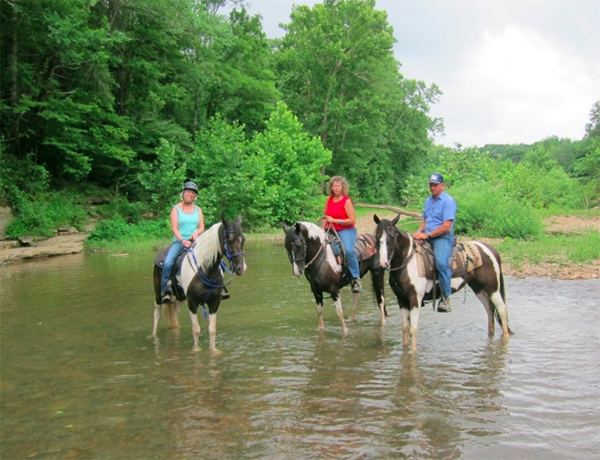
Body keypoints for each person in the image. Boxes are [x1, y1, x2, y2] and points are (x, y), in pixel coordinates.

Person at [413, 173, 457, 312]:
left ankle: (445, 297)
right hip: (427, 235)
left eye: (435, 185)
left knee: (440, 262)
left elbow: (446, 226)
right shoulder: (428, 201)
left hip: (442, 237)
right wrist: (418, 232)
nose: (432, 188)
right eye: (430, 185)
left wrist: (427, 235)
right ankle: (419, 292)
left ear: (442, 185)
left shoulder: (448, 201)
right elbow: (425, 221)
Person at [161, 181, 205, 304]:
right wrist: (183, 240)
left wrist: (196, 233)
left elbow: (201, 227)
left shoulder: (198, 209)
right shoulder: (176, 209)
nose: (190, 194)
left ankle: (219, 286)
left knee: (213, 258)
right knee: (168, 263)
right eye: (188, 192)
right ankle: (166, 291)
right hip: (180, 241)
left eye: (192, 193)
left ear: (195, 195)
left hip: (196, 241)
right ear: (183, 193)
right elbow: (174, 228)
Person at [322, 176, 362, 293]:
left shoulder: (346, 201)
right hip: (331, 229)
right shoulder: (329, 199)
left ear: (343, 187)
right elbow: (325, 217)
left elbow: (352, 220)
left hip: (346, 230)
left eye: (338, 186)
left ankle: (355, 277)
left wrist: (336, 221)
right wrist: (321, 231)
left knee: (348, 251)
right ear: (331, 187)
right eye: (334, 186)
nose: (336, 188)